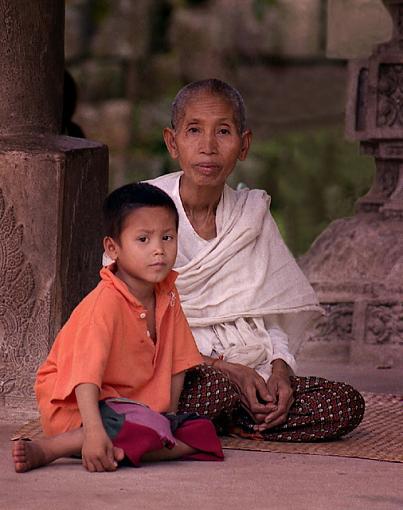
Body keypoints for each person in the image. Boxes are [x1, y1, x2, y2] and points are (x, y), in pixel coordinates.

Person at [145, 78, 365, 441]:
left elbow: (269, 313)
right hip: (181, 371)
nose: (208, 147)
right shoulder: (143, 209)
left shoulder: (252, 215)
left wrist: (280, 370)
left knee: (344, 404)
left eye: (224, 132)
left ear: (243, 145)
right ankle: (234, 415)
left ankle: (245, 416)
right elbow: (130, 322)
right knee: (210, 391)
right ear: (173, 142)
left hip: (251, 363)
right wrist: (224, 370)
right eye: (194, 130)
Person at [12, 183, 223, 473]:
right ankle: (55, 447)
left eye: (167, 237)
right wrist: (96, 431)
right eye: (143, 240)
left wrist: (168, 418)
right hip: (80, 409)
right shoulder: (104, 303)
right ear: (113, 248)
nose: (159, 250)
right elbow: (84, 377)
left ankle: (125, 446)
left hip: (136, 410)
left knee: (204, 433)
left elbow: (178, 363)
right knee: (127, 426)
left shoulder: (168, 296)